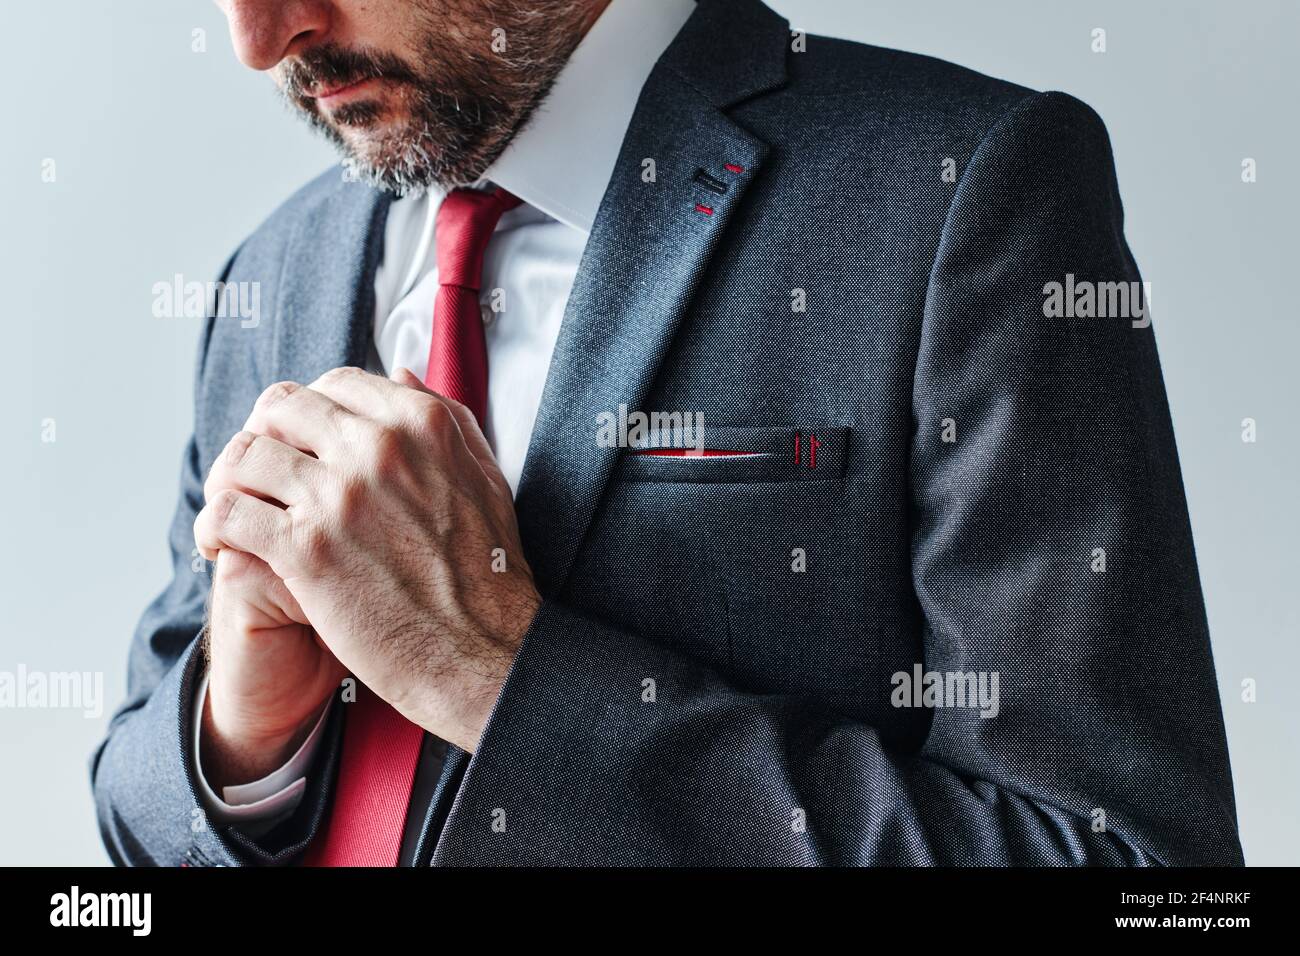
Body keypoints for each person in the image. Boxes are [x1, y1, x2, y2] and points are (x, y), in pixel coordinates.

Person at [91, 0, 1244, 866]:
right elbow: (135, 802)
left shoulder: (959, 191)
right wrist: (243, 733)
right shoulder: (276, 267)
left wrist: (498, 675)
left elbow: (1132, 867)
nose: (261, 37)